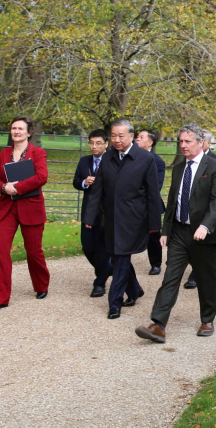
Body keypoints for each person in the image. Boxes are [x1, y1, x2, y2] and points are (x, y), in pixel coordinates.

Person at [135, 124, 216, 343]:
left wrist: (205, 226)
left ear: (200, 142)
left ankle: (207, 319)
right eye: (181, 141)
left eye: (188, 141)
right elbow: (173, 201)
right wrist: (165, 229)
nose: (183, 145)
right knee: (170, 277)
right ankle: (158, 324)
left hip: (203, 234)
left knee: (206, 279)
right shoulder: (178, 168)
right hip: (179, 232)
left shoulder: (214, 167)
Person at [83, 119, 162, 320]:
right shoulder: (108, 157)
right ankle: (134, 289)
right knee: (117, 257)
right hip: (110, 219)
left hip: (133, 220)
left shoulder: (145, 159)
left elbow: (152, 194)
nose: (117, 140)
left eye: (121, 136)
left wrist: (154, 224)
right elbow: (97, 190)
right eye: (113, 136)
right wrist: (90, 217)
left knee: (121, 259)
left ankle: (114, 303)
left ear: (131, 137)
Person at [0, 116, 50, 311]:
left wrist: (18, 188)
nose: (16, 131)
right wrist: (5, 188)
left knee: (33, 251)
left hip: (30, 206)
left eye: (20, 129)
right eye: (13, 128)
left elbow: (42, 177)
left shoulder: (38, 153)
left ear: (29, 132)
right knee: (0, 251)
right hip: (8, 207)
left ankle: (41, 284)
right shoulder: (4, 153)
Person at [72, 129, 112, 297]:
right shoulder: (84, 161)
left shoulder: (112, 161)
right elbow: (75, 182)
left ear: (106, 144)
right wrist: (84, 182)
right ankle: (107, 269)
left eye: (98, 143)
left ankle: (99, 283)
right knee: (87, 246)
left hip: (107, 211)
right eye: (91, 143)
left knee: (102, 248)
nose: (94, 146)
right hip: (89, 210)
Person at [184, 129, 216, 289]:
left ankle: (198, 278)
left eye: (188, 141)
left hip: (206, 219)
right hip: (188, 218)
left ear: (204, 143)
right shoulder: (186, 161)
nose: (184, 145)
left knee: (206, 259)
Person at [136, 130, 166, 275]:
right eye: (137, 137)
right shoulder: (130, 157)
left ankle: (156, 264)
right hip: (130, 204)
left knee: (154, 236)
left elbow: (156, 186)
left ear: (150, 142)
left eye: (141, 137)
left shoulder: (158, 162)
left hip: (149, 205)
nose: (137, 139)